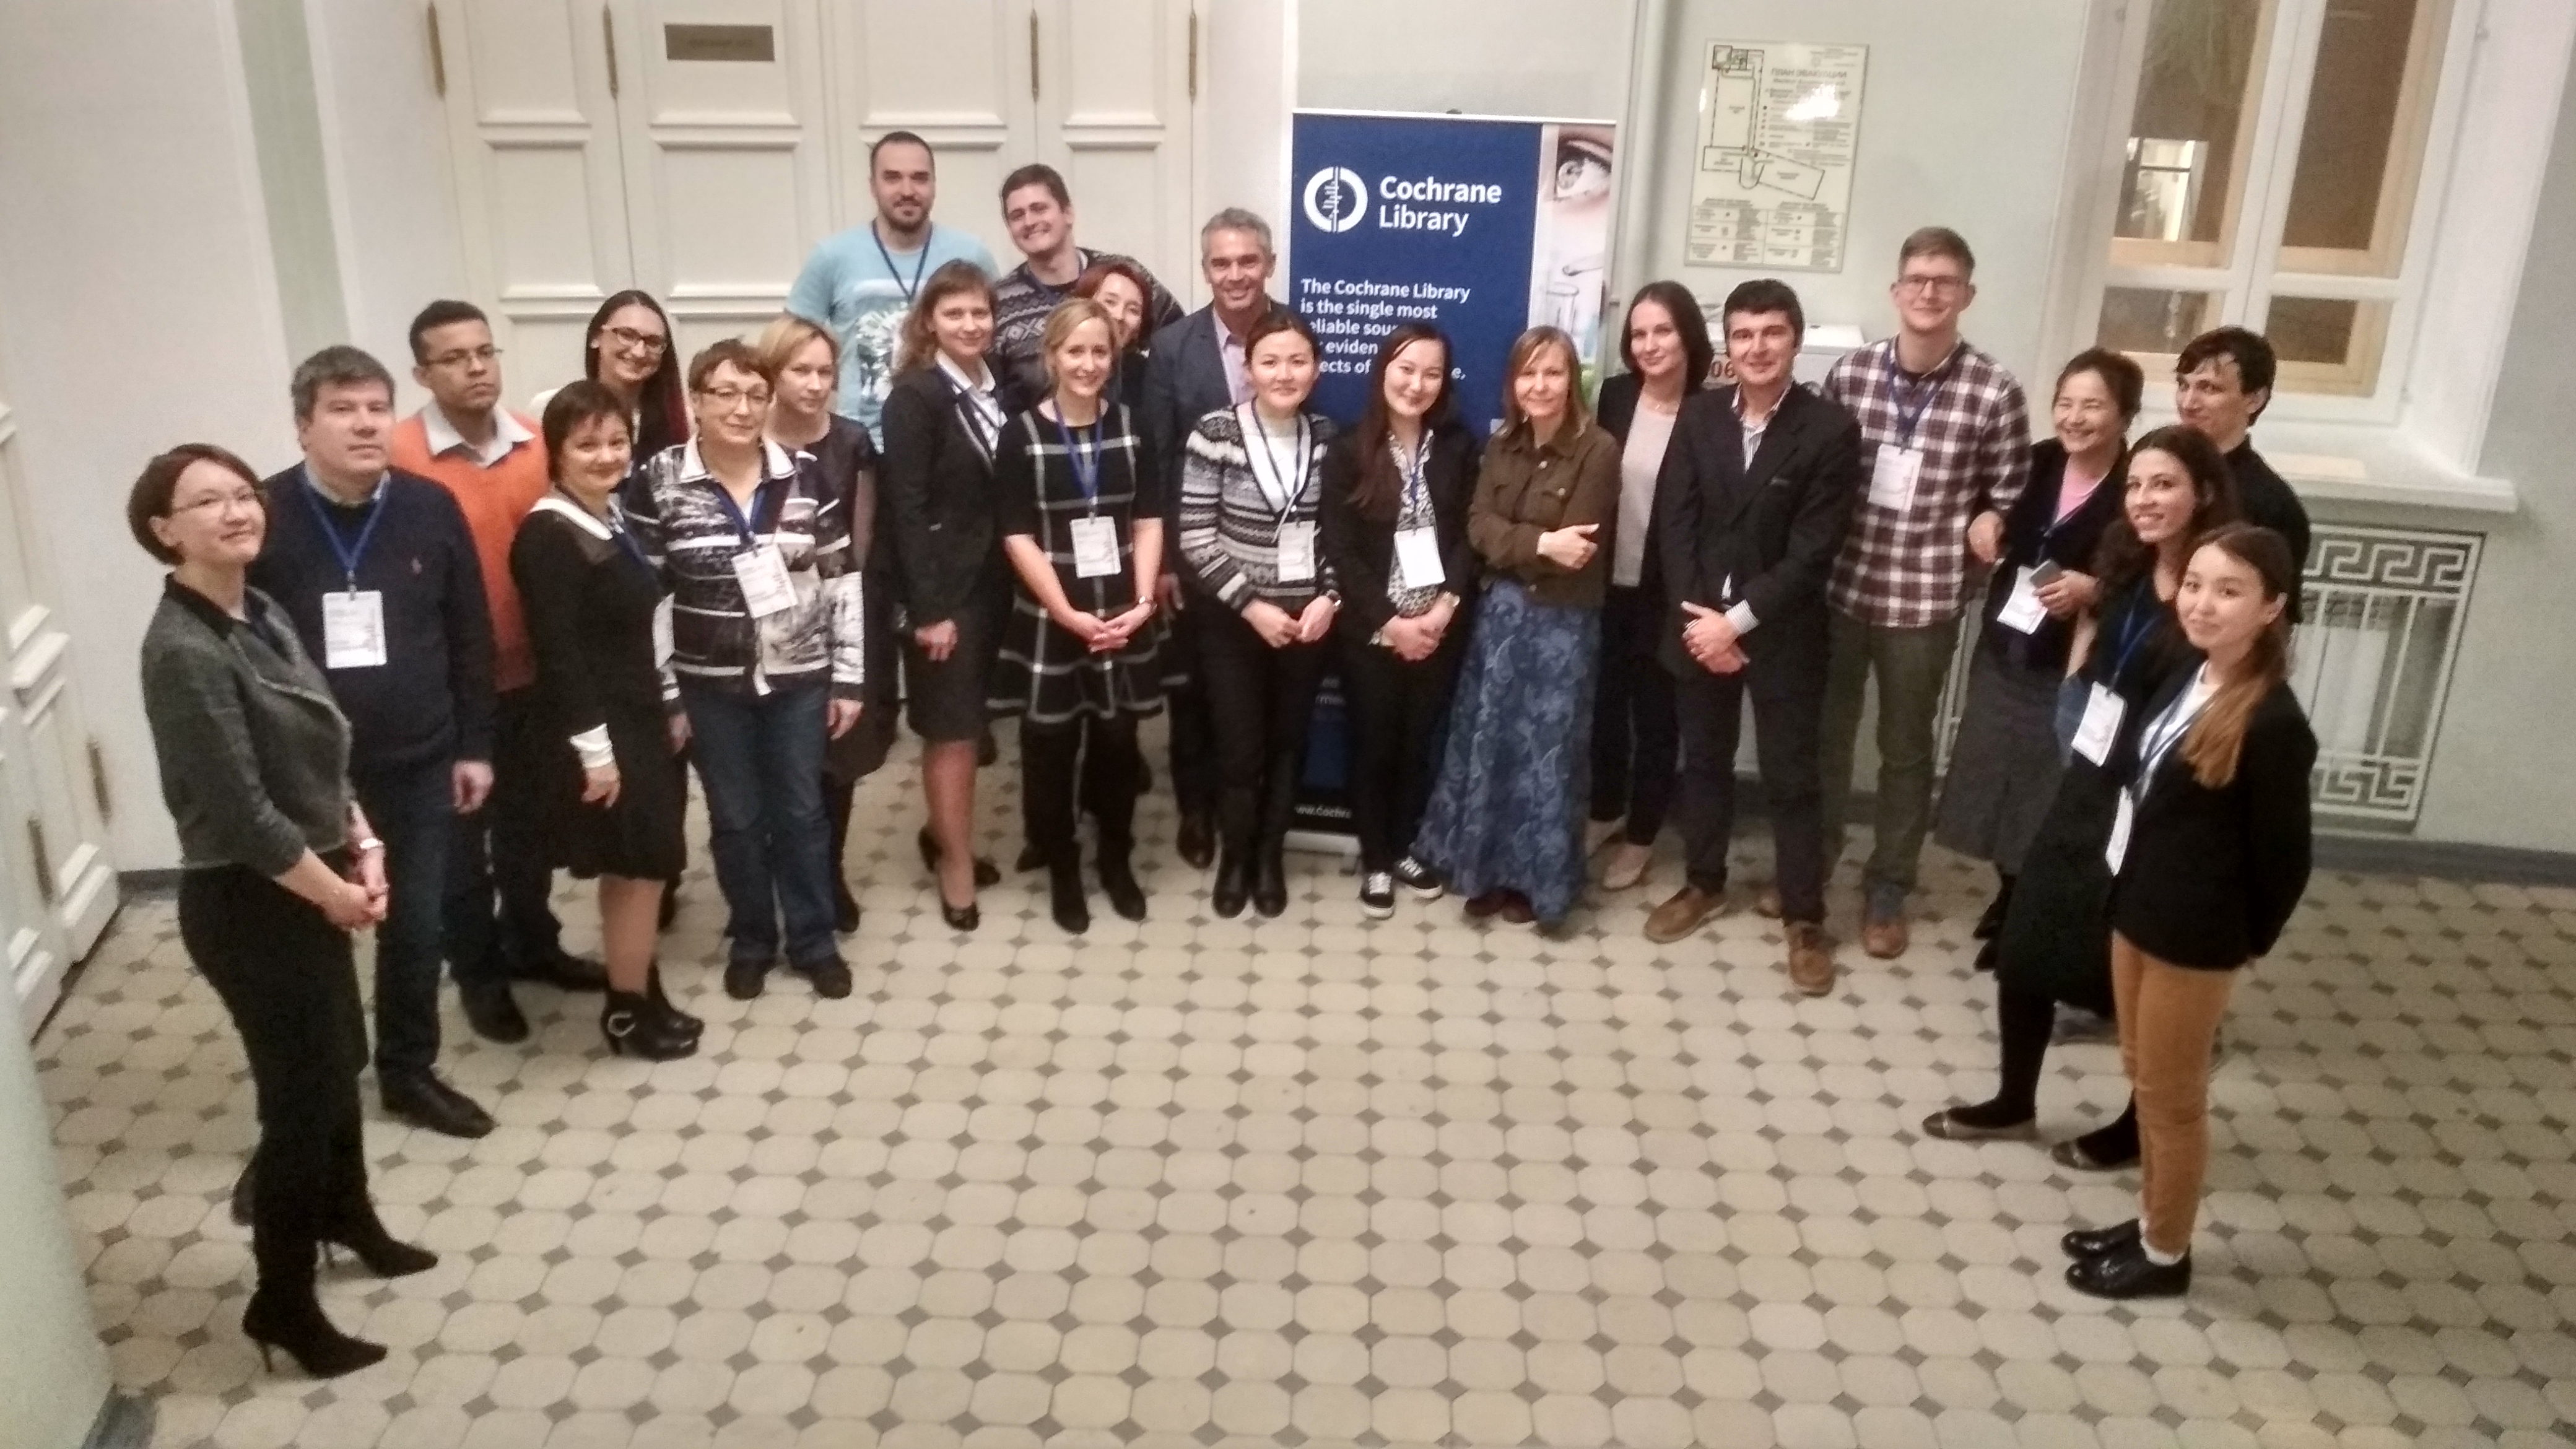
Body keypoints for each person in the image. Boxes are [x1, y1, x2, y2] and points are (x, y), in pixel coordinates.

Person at [134, 443, 433, 1380]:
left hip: (312, 877)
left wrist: (364, 841)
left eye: (242, 494)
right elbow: (244, 816)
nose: (236, 511)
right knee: (300, 1102)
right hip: (247, 903)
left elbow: (320, 743)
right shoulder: (183, 651)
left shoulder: (255, 608)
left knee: (339, 1061)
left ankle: (350, 1216)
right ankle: (283, 1301)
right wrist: (338, 893)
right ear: (164, 531)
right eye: (207, 502)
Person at [1923, 425, 2239, 1166]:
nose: (2144, 499)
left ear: (2201, 492)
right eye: (2135, 485)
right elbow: (2095, 635)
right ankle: (2012, 1101)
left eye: (2163, 484)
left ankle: (2135, 1125)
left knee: (2135, 971)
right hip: (2093, 777)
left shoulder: (2214, 585)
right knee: (2027, 942)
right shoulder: (2126, 560)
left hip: (2160, 802)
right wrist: (2075, 689)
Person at [250, 347, 498, 1141]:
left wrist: (475, 745)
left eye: (376, 409)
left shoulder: (430, 506)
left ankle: (407, 1071)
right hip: (309, 778)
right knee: (309, 941)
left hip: (420, 760)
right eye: (342, 409)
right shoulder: (265, 517)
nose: (364, 425)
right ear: (303, 426)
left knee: (415, 927)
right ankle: (315, 1093)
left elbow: (470, 633)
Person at [2063, 523, 2315, 1299]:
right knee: (2141, 1074)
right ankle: (2149, 1219)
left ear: (2270, 608)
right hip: (2138, 907)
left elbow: (2284, 860)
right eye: (2196, 585)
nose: (2202, 604)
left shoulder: (2273, 723)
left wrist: (2242, 940)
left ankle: (2165, 1254)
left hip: (2194, 937)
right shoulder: (2188, 671)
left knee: (2171, 1101)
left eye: (2228, 591)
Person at [389, 300, 607, 1048]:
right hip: (452, 691)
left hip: (535, 676)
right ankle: (480, 976)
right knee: (460, 848)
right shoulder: (399, 456)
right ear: (422, 373)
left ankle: (534, 943)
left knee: (529, 831)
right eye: (454, 358)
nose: (476, 368)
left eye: (484, 352)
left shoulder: (534, 441)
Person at [625, 339, 869, 1001]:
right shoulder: (658, 480)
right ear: (696, 401)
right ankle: (753, 938)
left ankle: (813, 941)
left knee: (802, 813)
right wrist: (667, 694)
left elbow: (840, 578)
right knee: (735, 819)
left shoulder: (805, 475)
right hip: (708, 685)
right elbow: (648, 598)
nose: (741, 408)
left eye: (755, 395)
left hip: (800, 676)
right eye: (725, 394)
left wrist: (849, 678)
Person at [1819, 227, 2032, 959]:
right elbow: (1818, 477)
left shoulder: (1994, 390)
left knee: (1905, 753)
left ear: (1966, 295)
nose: (1928, 292)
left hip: (1923, 603)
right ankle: (1812, 867)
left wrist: (1988, 524)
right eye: (1916, 279)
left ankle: (1887, 887)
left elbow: (2010, 497)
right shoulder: (1850, 376)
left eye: (1944, 281)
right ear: (1895, 291)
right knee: (1825, 741)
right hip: (1841, 589)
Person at [1645, 280, 1862, 994]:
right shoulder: (1700, 416)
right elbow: (1675, 523)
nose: (1756, 347)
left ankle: (1803, 918)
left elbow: (1812, 551)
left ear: (1794, 340)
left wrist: (1734, 623)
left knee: (1791, 778)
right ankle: (1703, 882)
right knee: (1704, 762)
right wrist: (1700, 622)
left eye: (1771, 333)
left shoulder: (1829, 430)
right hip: (1697, 625)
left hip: (1781, 632)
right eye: (1742, 334)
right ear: (1726, 346)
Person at [1932, 349, 2143, 970]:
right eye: (2065, 403)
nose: (2074, 417)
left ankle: (2027, 914)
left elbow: (2148, 580)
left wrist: (2092, 590)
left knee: (2046, 792)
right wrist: (1984, 518)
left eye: (2092, 405)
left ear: (2125, 414)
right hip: (2007, 647)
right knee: (1995, 779)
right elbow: (1987, 502)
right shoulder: (2036, 461)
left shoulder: (2133, 487)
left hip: (2073, 665)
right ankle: (2008, 893)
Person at [511, 383, 701, 1060]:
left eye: (617, 441)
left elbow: (645, 626)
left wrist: (669, 702)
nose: (606, 455)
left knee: (642, 867)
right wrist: (596, 756)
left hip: (641, 715)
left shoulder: (610, 515)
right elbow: (561, 658)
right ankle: (626, 1014)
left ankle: (642, 991)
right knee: (637, 865)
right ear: (556, 452)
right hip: (604, 732)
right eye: (587, 444)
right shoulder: (547, 535)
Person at [1411, 326, 1621, 929]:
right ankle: (1482, 871)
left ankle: (1535, 883)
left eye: (1553, 373)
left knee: (1546, 758)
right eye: (1528, 374)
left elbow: (1577, 550)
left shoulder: (1598, 450)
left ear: (1572, 380)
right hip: (1499, 619)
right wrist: (1540, 542)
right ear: (1513, 383)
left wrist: (1521, 545)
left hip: (1561, 625)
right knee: (1490, 747)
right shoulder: (1501, 443)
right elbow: (1478, 526)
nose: (1540, 385)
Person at [991, 298, 1167, 932]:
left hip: (1121, 613)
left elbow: (1148, 520)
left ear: (1112, 358)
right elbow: (1016, 534)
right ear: (1051, 357)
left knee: (1118, 744)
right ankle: (1062, 864)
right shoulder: (1020, 435)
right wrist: (1065, 611)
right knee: (1048, 748)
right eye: (1075, 352)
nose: (1088, 364)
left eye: (1099, 352)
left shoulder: (1134, 427)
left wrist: (1142, 604)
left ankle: (1115, 860)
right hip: (1052, 614)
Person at [1142, 209, 1296, 870]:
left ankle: (1256, 819)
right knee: (1192, 693)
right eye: (1221, 263)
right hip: (1194, 556)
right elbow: (1157, 457)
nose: (1235, 275)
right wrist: (1162, 562)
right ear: (1205, 269)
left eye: (1247, 261)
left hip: (1274, 561)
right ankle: (1196, 810)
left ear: (1269, 264)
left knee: (1259, 700)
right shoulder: (1172, 347)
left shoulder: (1293, 335)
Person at [1177, 311, 1339, 918]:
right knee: (1240, 749)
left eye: (1298, 361)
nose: (1284, 373)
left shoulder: (1329, 437)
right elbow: (1196, 536)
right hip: (1232, 622)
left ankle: (1269, 858)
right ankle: (1235, 859)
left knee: (1289, 744)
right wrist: (1252, 606)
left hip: (1307, 622)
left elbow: (1340, 536)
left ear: (1316, 370)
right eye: (1270, 361)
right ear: (1248, 370)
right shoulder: (1214, 432)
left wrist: (1329, 597)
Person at [1318, 325, 1478, 917]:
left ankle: (1405, 847)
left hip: (1440, 628)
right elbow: (1340, 549)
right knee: (1374, 746)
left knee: (1417, 746)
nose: (1417, 384)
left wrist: (1443, 609)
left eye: (1431, 373)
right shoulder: (1347, 450)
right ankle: (1376, 861)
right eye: (1406, 369)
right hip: (1371, 633)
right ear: (1384, 370)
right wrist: (1393, 623)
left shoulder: (1459, 447)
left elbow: (1469, 536)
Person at [883, 261, 1018, 928]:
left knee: (974, 722)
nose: (970, 324)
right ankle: (955, 866)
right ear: (929, 322)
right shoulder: (916, 397)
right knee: (952, 731)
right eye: (955, 313)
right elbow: (904, 509)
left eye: (980, 312)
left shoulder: (1000, 386)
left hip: (997, 584)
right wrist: (929, 611)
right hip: (943, 593)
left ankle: (943, 834)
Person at [760, 313, 900, 935]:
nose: (816, 384)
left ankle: (826, 872)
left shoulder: (851, 442)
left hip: (837, 619)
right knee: (774, 765)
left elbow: (861, 551)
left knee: (834, 763)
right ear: (772, 373)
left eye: (825, 372)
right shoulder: (746, 439)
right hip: (762, 625)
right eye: (801, 371)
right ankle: (778, 873)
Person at [1589, 282, 1712, 894]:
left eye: (1662, 330)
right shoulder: (1614, 397)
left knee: (1657, 719)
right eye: (1638, 334)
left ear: (1688, 335)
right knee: (1604, 708)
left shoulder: (1710, 412)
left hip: (1668, 594)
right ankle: (1604, 810)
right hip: (1606, 584)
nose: (1649, 344)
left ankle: (1641, 836)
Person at [787, 130, 999, 443]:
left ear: (934, 185)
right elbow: (789, 349)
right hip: (862, 443)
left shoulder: (972, 254)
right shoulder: (831, 256)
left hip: (954, 443)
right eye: (892, 178)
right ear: (872, 186)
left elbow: (994, 342)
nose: (907, 190)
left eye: (920, 178)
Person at [990, 163, 1183, 398]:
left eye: (1039, 209)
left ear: (1068, 213)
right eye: (1017, 216)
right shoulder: (999, 302)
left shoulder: (1122, 275)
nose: (1029, 222)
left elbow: (1181, 342)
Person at [2173, 326, 2311, 619]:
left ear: (2254, 399)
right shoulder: (2157, 474)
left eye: (2209, 388)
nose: (2188, 404)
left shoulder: (2272, 503)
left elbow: (2277, 619)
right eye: (2184, 386)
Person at [534, 290, 690, 462]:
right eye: (626, 335)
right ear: (596, 337)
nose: (639, 352)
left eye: (653, 342)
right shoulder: (550, 407)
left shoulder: (682, 420)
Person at [1073, 256, 1163, 411]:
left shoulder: (1149, 378)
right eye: (1110, 302)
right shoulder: (1059, 365)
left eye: (1133, 310)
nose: (1119, 316)